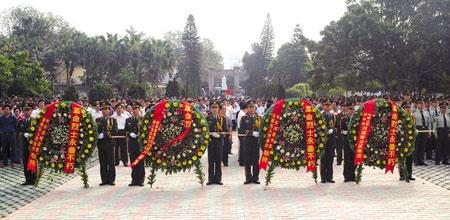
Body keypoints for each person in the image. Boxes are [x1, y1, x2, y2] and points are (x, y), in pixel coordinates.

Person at [239, 100, 261, 184]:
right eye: (249, 107)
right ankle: (248, 177)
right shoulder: (244, 118)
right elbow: (241, 130)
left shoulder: (259, 118)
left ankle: (256, 178)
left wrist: (259, 133)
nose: (251, 109)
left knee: (256, 160)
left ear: (255, 108)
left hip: (256, 142)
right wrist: (252, 133)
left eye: (253, 107)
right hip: (247, 141)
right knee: (247, 160)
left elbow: (262, 129)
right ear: (247, 108)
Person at [97, 102, 118, 186]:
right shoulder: (98, 120)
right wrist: (97, 135)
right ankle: (104, 179)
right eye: (103, 109)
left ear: (109, 110)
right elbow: (95, 130)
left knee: (111, 161)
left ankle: (111, 179)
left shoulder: (113, 120)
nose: (105, 111)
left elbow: (115, 131)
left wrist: (105, 135)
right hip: (101, 143)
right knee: (103, 162)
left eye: (106, 109)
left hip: (109, 143)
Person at [206, 100, 227, 185]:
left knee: (218, 161)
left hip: (219, 142)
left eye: (216, 107)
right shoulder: (207, 119)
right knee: (211, 161)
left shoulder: (222, 119)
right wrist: (211, 134)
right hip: (211, 143)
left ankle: (218, 179)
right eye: (212, 107)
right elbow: (204, 131)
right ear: (210, 109)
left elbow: (225, 131)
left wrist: (220, 135)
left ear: (219, 109)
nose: (214, 109)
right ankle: (210, 179)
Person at [125, 102, 145, 186]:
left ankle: (141, 180)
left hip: (139, 144)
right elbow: (126, 131)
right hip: (132, 144)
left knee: (140, 162)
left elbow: (145, 130)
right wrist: (130, 134)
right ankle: (134, 180)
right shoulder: (128, 120)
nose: (135, 111)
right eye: (133, 109)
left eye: (136, 109)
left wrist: (140, 134)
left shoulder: (143, 119)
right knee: (133, 162)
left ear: (139, 109)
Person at [320, 99, 337, 183]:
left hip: (331, 140)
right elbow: (318, 127)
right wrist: (324, 131)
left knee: (330, 159)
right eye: (325, 105)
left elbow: (336, 127)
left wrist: (333, 130)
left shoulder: (333, 116)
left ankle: (329, 177)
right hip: (323, 141)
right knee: (323, 160)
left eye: (328, 105)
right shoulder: (320, 116)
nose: (327, 107)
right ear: (323, 106)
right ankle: (323, 177)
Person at [18, 105, 35, 185]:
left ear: (31, 112)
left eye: (28, 111)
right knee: (25, 163)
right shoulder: (21, 121)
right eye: (25, 111)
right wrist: (23, 134)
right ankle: (27, 180)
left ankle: (34, 179)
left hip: (33, 145)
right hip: (24, 145)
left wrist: (31, 135)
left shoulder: (34, 121)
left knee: (33, 162)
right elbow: (18, 132)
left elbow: (38, 131)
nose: (26, 112)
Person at [399, 102, 415, 181]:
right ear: (403, 108)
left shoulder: (412, 117)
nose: (408, 109)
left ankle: (409, 174)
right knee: (401, 158)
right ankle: (402, 175)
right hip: (402, 140)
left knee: (409, 158)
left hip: (410, 140)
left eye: (409, 107)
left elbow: (413, 127)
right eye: (406, 108)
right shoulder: (400, 117)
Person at [340, 102, 355, 182]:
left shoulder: (355, 119)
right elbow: (341, 129)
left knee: (353, 158)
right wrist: (344, 132)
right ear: (347, 110)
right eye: (350, 109)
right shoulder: (343, 119)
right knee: (346, 158)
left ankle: (353, 175)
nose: (351, 111)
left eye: (352, 109)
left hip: (353, 141)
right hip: (346, 140)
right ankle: (346, 176)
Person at [413, 100, 431, 166]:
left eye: (422, 104)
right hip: (418, 129)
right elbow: (413, 123)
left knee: (423, 145)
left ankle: (422, 160)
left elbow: (429, 122)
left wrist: (429, 131)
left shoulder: (426, 113)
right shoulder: (414, 114)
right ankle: (416, 161)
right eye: (420, 104)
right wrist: (414, 130)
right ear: (417, 105)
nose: (421, 105)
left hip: (425, 129)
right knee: (417, 145)